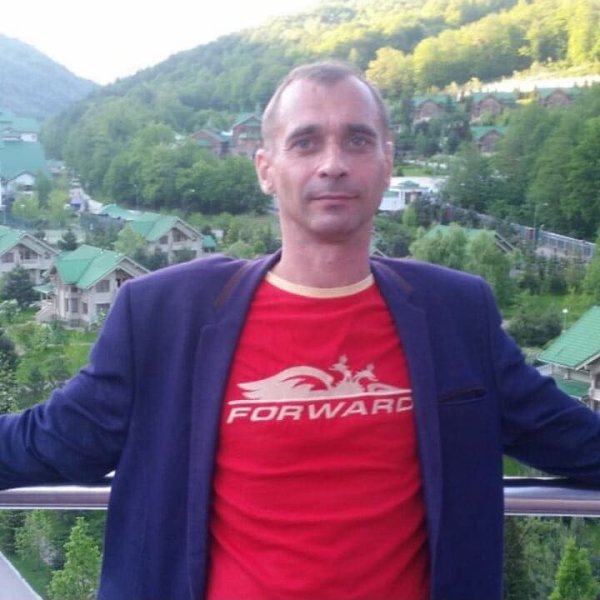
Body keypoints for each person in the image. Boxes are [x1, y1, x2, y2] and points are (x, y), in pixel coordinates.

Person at [1, 61, 600, 600]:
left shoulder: (456, 313)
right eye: (306, 141)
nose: (333, 163)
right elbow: (54, 441)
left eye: (357, 140)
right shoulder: (164, 315)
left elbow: (568, 437)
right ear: (267, 169)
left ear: (387, 163)